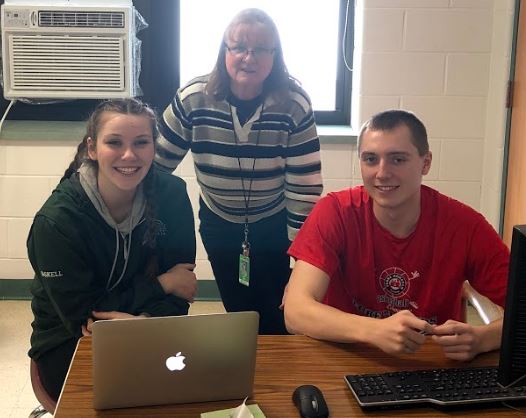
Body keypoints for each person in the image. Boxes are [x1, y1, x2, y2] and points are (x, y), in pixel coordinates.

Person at [284, 109, 509, 361]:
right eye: (370, 159)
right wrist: (375, 330)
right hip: (346, 358)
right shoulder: (335, 212)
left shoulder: (465, 226)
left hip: (432, 365)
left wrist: (484, 338)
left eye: (397, 159)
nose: (381, 173)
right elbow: (295, 312)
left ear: (426, 163)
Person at [155, 8, 322, 334]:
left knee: (278, 310)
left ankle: (278, 375)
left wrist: (302, 262)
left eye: (261, 49)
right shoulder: (193, 99)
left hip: (274, 223)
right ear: (224, 52)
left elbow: (304, 189)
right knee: (239, 310)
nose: (249, 57)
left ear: (274, 55)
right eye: (239, 47)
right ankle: (249, 374)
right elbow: (155, 166)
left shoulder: (294, 103)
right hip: (220, 223)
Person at [27, 98, 197, 401]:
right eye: (114, 142)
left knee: (196, 388)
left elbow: (182, 287)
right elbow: (84, 317)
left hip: (152, 324)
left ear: (153, 148)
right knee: (135, 395)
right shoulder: (56, 222)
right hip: (69, 340)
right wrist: (161, 284)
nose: (129, 155)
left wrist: (145, 324)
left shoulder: (172, 195)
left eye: (141, 142)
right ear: (92, 148)